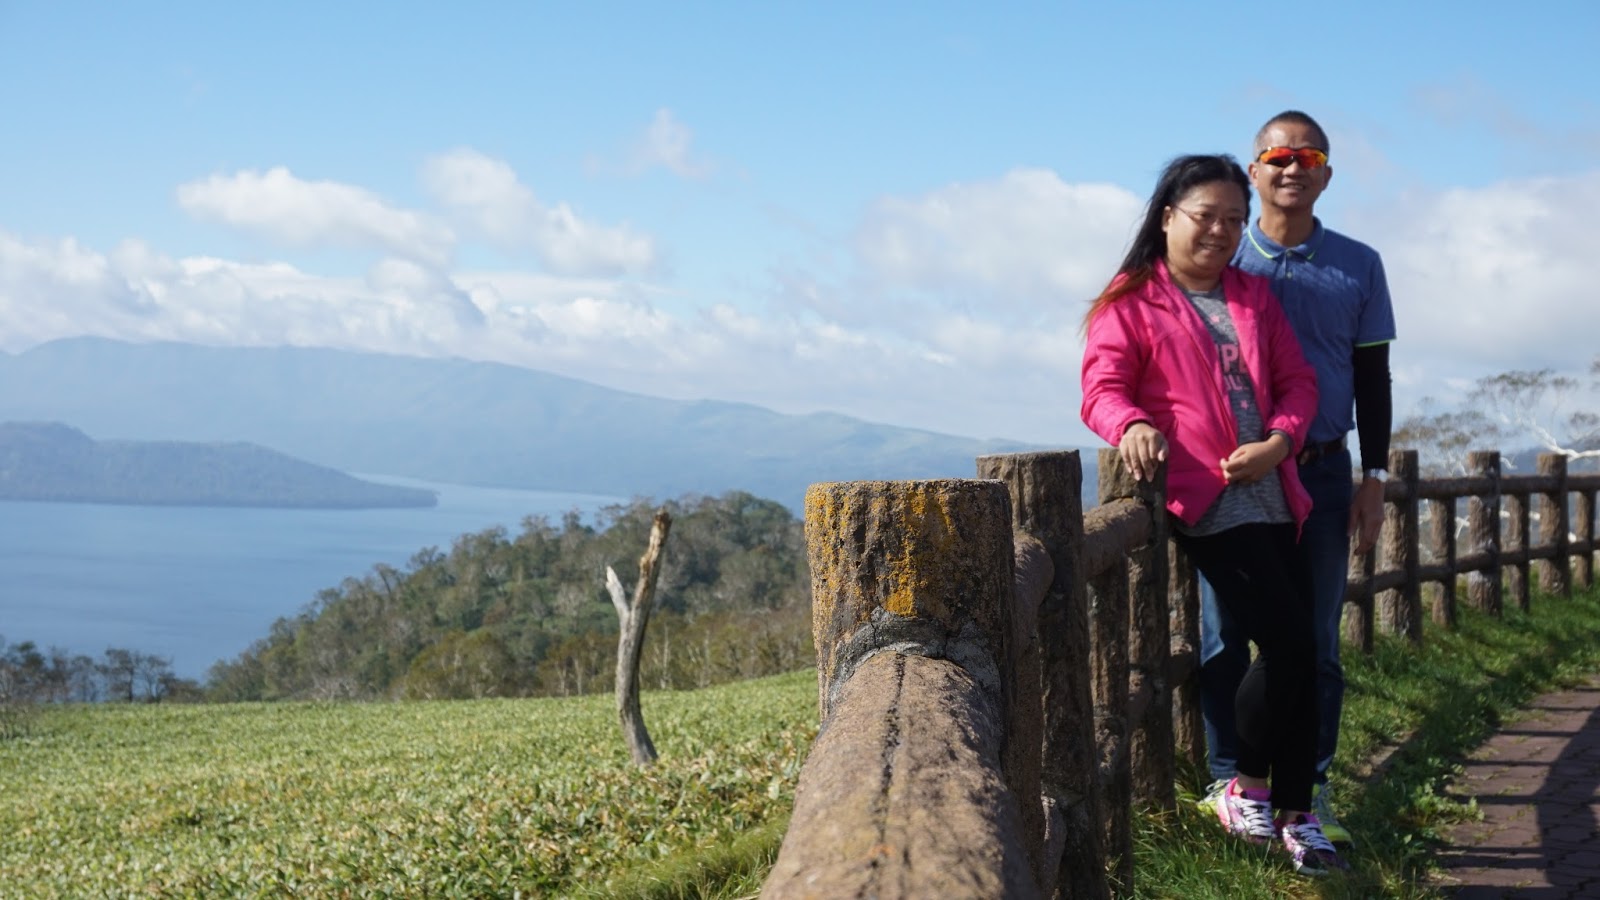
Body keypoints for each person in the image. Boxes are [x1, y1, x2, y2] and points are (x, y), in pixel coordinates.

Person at [1081, 154, 1345, 875]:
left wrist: (1280, 442)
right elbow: (1101, 387)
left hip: (1274, 491)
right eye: (1207, 217)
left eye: (1234, 219)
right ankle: (1247, 788)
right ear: (1168, 216)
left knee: (1296, 657)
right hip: (1205, 496)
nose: (1223, 232)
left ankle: (1298, 815)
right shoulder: (1131, 302)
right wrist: (1131, 423)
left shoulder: (1254, 297)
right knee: (1291, 646)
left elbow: (1298, 382)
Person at [1196, 110, 1397, 847]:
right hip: (1235, 477)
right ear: (1254, 171)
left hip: (1322, 471)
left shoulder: (1359, 263)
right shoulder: (1222, 258)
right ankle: (1229, 784)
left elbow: (1373, 377)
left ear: (1326, 173)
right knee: (1226, 638)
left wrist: (1374, 475)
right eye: (1275, 157)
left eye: (1306, 156)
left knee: (1314, 642)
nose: (1290, 168)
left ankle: (1304, 792)